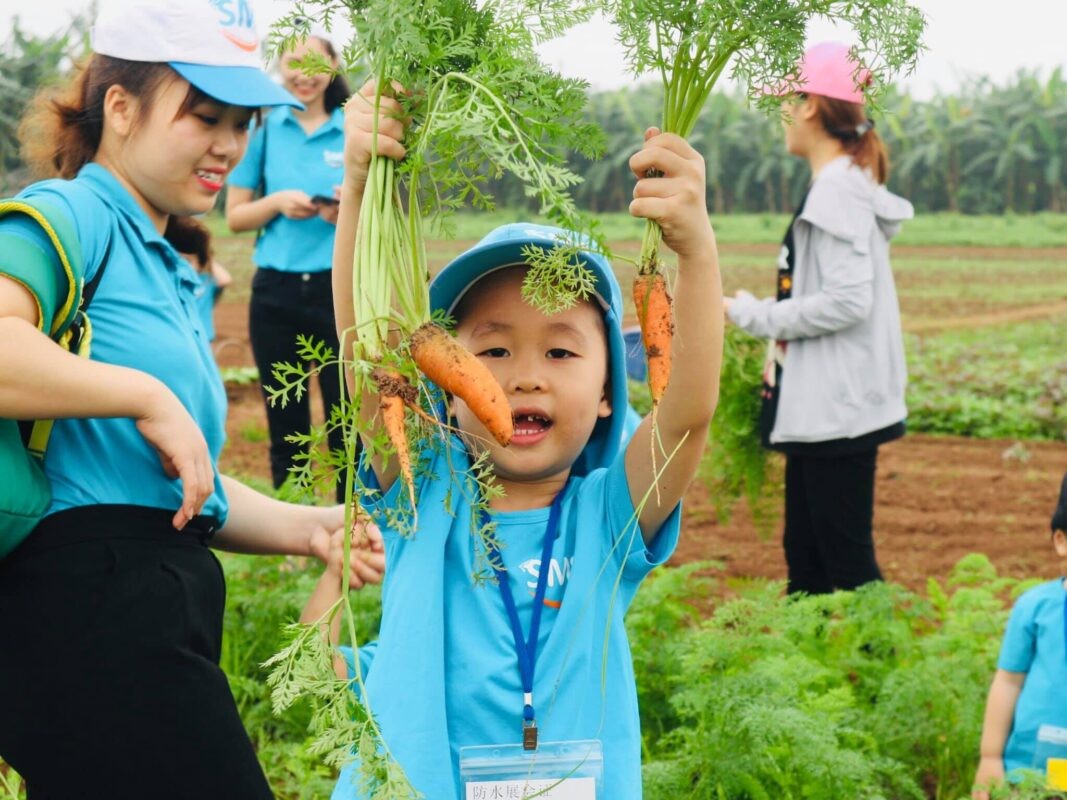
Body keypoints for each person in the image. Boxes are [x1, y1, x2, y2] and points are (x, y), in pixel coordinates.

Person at [0, 1, 384, 796]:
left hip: (138, 604)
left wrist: (306, 527)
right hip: (87, 610)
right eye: (204, 116)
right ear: (121, 108)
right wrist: (145, 394)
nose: (229, 146)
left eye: (242, 124)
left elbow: (170, 486)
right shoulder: (74, 215)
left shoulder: (163, 260)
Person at [322, 80, 724, 799]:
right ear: (446, 378)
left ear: (608, 394)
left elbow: (686, 413)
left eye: (561, 353)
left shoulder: (609, 514)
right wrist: (360, 186)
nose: (524, 379)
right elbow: (368, 360)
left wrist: (694, 252)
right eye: (493, 352)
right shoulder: (424, 487)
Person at [724, 42, 913, 596]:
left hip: (840, 407)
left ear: (809, 104)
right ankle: (818, 672)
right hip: (829, 403)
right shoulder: (843, 184)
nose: (780, 111)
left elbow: (849, 300)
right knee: (807, 559)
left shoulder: (836, 191)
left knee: (845, 564)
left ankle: (878, 675)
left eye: (785, 98)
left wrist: (752, 314)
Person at [226, 32, 350, 500]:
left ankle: (350, 529)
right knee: (286, 422)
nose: (304, 76)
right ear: (279, 67)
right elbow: (236, 216)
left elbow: (382, 213)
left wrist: (348, 209)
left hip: (337, 293)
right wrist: (276, 202)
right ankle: (294, 537)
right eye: (292, 63)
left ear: (335, 65)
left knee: (347, 422)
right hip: (274, 296)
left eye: (315, 63)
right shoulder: (264, 128)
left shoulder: (355, 127)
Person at [972, 473, 1067, 799]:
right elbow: (1008, 681)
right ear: (1061, 541)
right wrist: (990, 757)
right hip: (1032, 767)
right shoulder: (1035, 608)